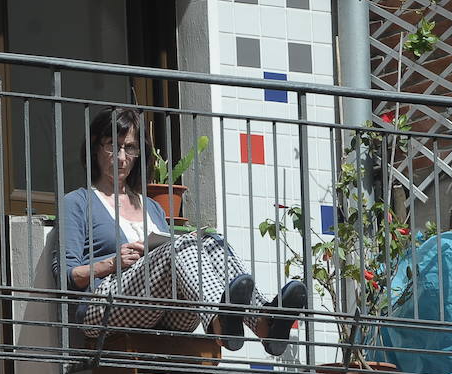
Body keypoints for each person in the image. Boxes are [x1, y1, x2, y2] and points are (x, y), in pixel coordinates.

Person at [52, 107, 306, 356]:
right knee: (179, 247)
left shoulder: (150, 206)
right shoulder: (78, 202)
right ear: (95, 147)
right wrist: (112, 263)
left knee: (211, 241)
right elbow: (65, 275)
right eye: (112, 145)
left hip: (167, 313)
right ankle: (220, 323)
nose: (121, 157)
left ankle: (264, 324)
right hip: (105, 306)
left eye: (129, 148)